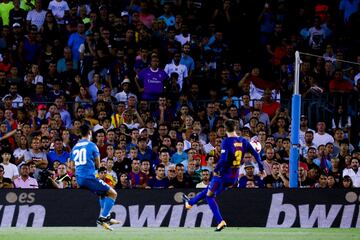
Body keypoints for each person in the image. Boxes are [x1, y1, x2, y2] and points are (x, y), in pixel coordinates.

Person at [183, 119, 264, 231]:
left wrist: (216, 169)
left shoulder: (226, 141)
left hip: (223, 174)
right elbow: (256, 154)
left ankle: (220, 221)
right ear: (235, 128)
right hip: (234, 177)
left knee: (209, 196)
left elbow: (224, 159)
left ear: (225, 129)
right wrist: (261, 168)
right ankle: (190, 203)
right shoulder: (244, 141)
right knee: (209, 189)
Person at [70, 124, 119, 231]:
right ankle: (102, 218)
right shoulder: (92, 145)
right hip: (88, 177)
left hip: (79, 178)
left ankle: (108, 217)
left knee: (102, 193)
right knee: (113, 193)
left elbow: (71, 166)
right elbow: (98, 165)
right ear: (89, 133)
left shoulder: (74, 147)